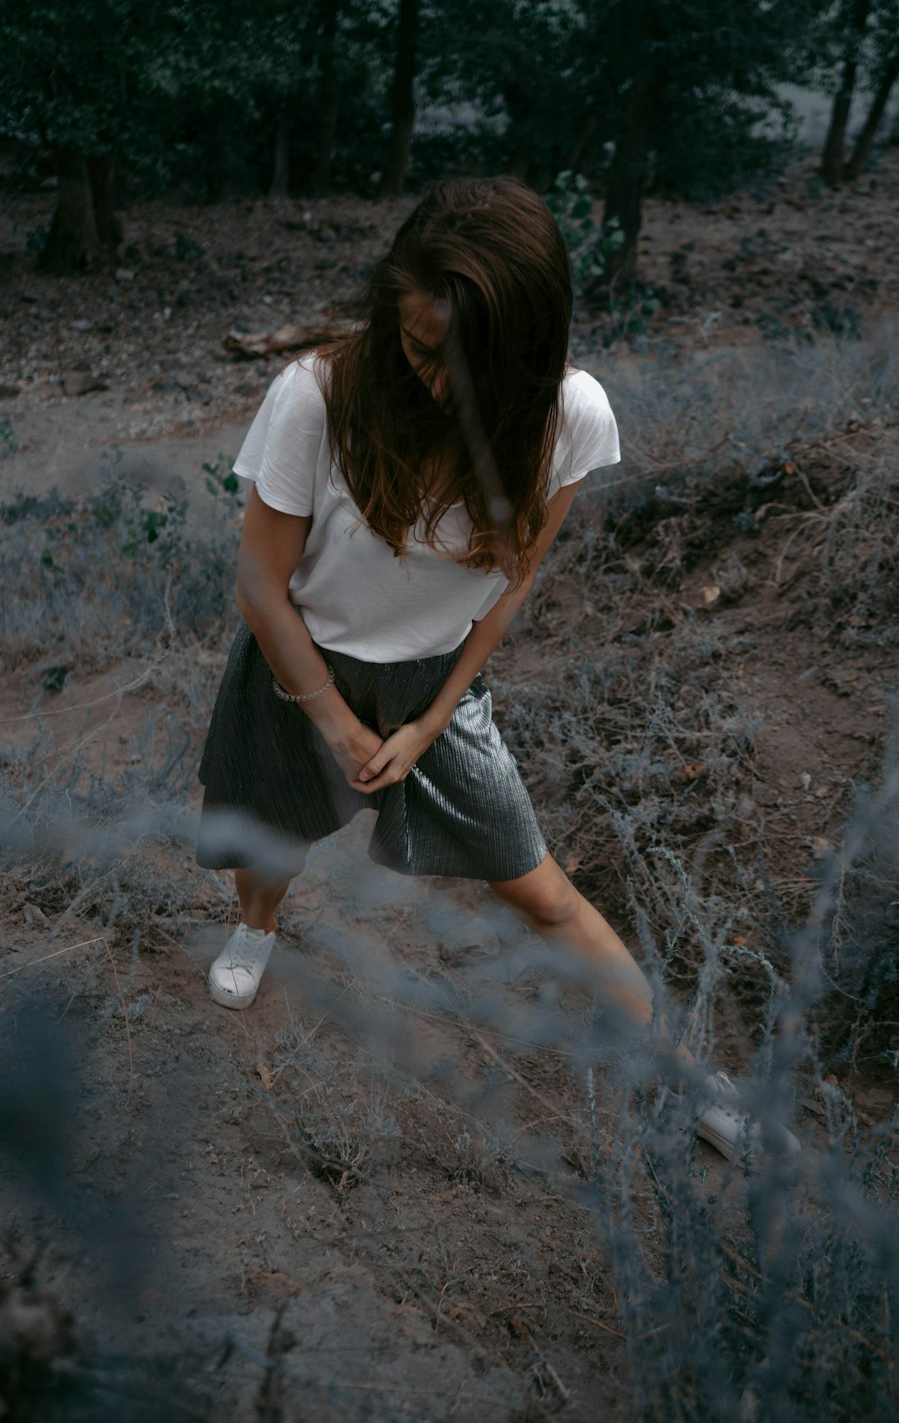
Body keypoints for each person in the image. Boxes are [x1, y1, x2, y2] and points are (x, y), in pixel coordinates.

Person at [196, 177, 797, 1165]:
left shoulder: (571, 415)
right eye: (417, 346)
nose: (431, 380)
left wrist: (430, 722)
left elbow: (510, 584)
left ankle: (690, 1078)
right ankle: (258, 930)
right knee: (270, 838)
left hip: (435, 679)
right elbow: (261, 588)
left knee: (543, 891)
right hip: (295, 662)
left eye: (462, 362)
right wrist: (338, 727)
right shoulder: (316, 394)